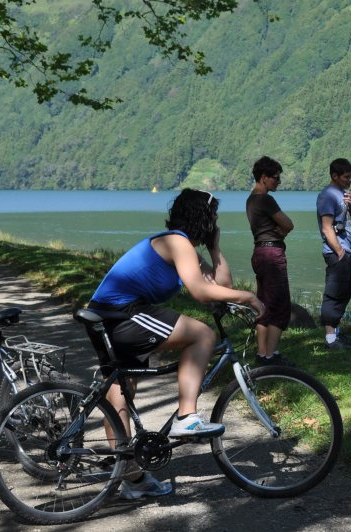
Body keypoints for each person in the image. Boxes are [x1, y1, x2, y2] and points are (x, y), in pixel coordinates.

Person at [88, 188, 265, 499]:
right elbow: (200, 291)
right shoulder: (177, 242)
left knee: (121, 394)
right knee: (203, 334)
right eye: (214, 218)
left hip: (106, 314)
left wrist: (215, 247)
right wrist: (248, 297)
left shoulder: (184, 247)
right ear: (203, 218)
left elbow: (221, 285)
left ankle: (132, 478)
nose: (216, 222)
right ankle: (186, 416)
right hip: (122, 313)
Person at [245, 156, 295, 366]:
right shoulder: (266, 199)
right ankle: (271, 356)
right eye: (275, 178)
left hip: (259, 252)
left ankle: (262, 353)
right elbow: (289, 224)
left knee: (264, 303)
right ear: (263, 178)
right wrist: (281, 233)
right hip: (272, 254)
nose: (278, 181)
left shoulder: (250, 199)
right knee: (280, 306)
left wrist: (278, 232)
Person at [315, 157, 351, 350]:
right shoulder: (327, 195)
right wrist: (339, 251)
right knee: (333, 293)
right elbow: (327, 228)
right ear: (335, 176)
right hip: (337, 251)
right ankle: (330, 339)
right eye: (346, 177)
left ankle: (337, 334)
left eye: (350, 177)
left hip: (347, 249)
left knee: (344, 292)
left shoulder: (344, 194)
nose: (349, 180)